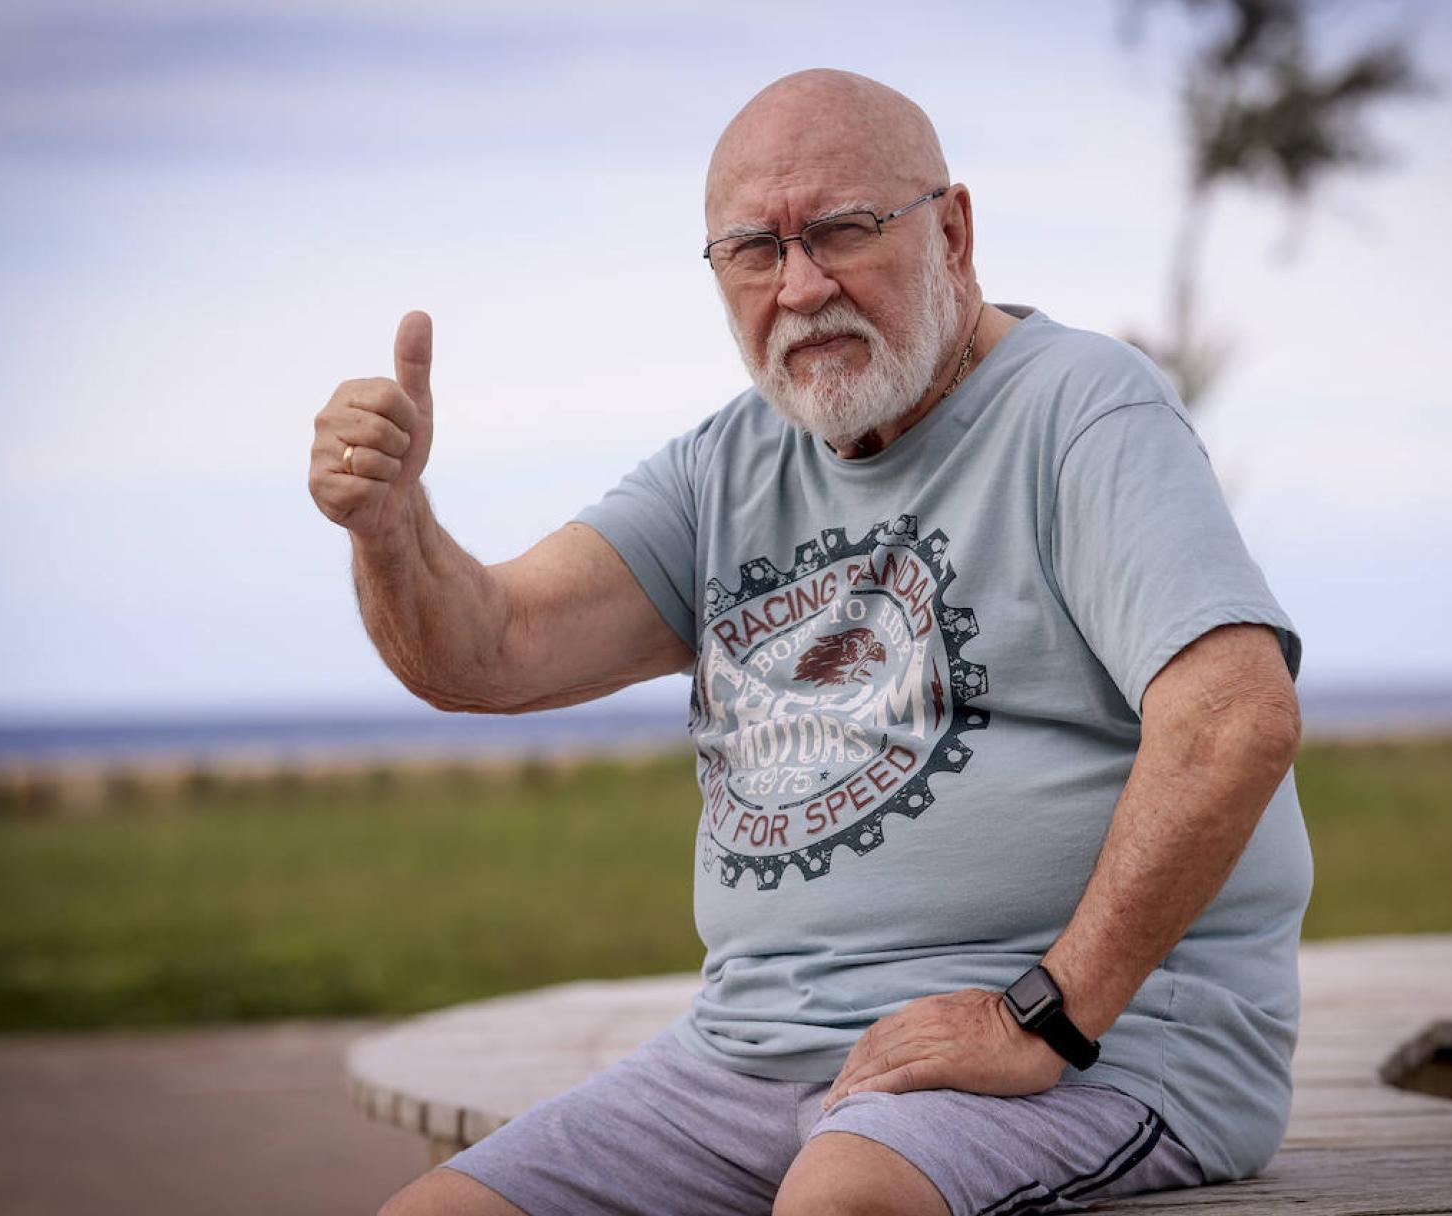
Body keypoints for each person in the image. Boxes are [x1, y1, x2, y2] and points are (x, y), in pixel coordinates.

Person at [310, 68, 1308, 1216]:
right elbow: (486, 647)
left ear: (954, 230)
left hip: (1096, 1051)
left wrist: (1046, 1012)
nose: (800, 286)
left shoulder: (1083, 409)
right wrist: (390, 527)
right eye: (754, 250)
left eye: (841, 231)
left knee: (842, 1199)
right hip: (739, 1061)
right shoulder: (724, 465)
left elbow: (1237, 718)